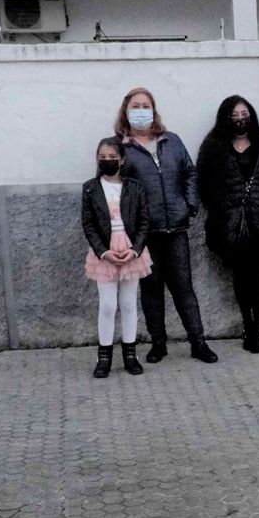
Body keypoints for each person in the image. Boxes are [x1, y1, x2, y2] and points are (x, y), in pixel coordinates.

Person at [116, 87, 218, 365]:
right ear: (126, 111)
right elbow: (113, 187)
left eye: (145, 105)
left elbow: (189, 173)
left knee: (184, 287)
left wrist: (190, 205)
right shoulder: (119, 147)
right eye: (135, 106)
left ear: (154, 109)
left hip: (176, 229)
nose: (141, 111)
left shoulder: (171, 141)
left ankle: (198, 342)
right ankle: (158, 344)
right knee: (151, 289)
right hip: (144, 233)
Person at [197, 95, 259, 354]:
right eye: (234, 115)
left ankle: (258, 328)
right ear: (226, 118)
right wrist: (222, 207)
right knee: (240, 275)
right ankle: (247, 324)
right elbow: (203, 182)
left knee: (256, 277)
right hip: (230, 225)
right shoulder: (214, 146)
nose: (240, 120)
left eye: (244, 114)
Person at [81, 138, 151, 377]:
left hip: (131, 250)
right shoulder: (90, 188)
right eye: (103, 156)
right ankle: (104, 357)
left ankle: (131, 355)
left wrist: (136, 249)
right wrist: (103, 251)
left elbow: (144, 220)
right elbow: (88, 224)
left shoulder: (135, 187)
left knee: (130, 303)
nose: (107, 160)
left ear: (121, 160)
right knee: (108, 305)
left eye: (112, 156)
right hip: (105, 252)